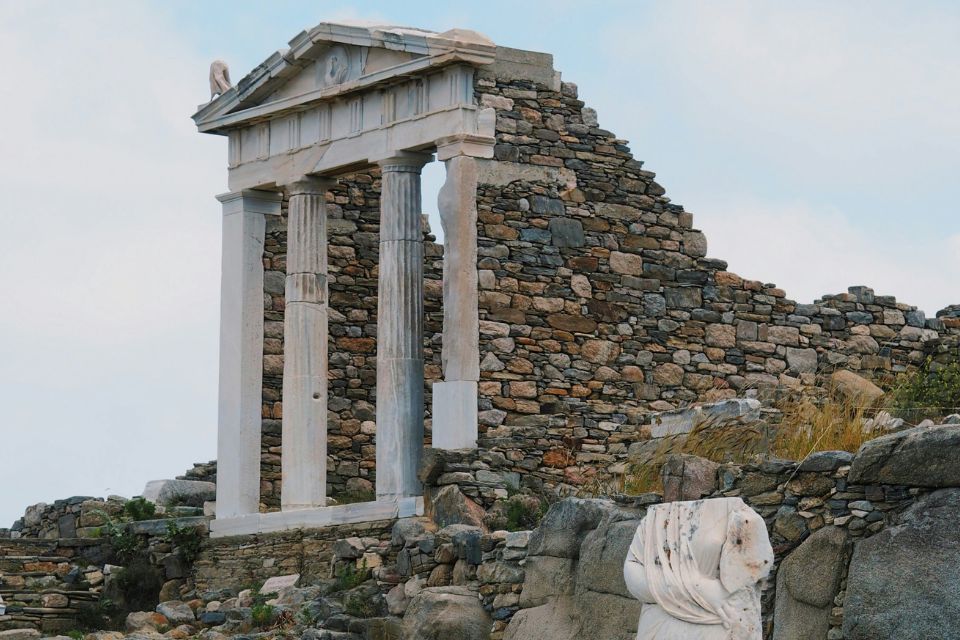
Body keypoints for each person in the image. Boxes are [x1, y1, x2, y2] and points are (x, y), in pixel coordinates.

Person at [623, 497, 773, 640]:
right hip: (657, 627)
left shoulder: (740, 516)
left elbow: (742, 582)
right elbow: (632, 572)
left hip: (716, 627)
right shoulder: (652, 519)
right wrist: (697, 588)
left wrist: (667, 588)